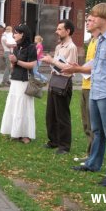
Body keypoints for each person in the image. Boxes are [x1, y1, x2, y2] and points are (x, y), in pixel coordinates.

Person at [69, 3, 106, 187]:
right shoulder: (100, 39)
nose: (92, 19)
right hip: (95, 90)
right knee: (97, 131)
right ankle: (93, 164)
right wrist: (77, 68)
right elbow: (96, 63)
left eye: (95, 16)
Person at [41, 19, 78, 154]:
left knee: (62, 115)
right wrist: (52, 62)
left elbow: (70, 67)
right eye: (57, 29)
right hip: (54, 80)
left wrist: (52, 60)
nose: (57, 32)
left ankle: (64, 145)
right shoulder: (58, 47)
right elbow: (56, 64)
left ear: (67, 31)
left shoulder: (71, 47)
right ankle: (53, 141)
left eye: (60, 29)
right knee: (50, 114)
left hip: (64, 82)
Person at [0, 24, 37, 143]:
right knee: (14, 105)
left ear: (22, 34)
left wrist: (18, 61)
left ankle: (25, 134)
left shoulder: (31, 47)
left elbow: (32, 65)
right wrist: (12, 63)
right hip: (15, 79)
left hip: (24, 80)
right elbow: (13, 66)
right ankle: (15, 132)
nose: (14, 35)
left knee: (24, 106)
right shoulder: (16, 48)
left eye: (16, 32)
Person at [79, 15, 99, 159]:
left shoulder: (100, 41)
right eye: (86, 20)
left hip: (94, 86)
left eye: (90, 21)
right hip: (85, 85)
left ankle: (93, 154)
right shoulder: (91, 40)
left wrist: (77, 69)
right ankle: (89, 152)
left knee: (93, 123)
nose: (87, 23)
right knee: (86, 121)